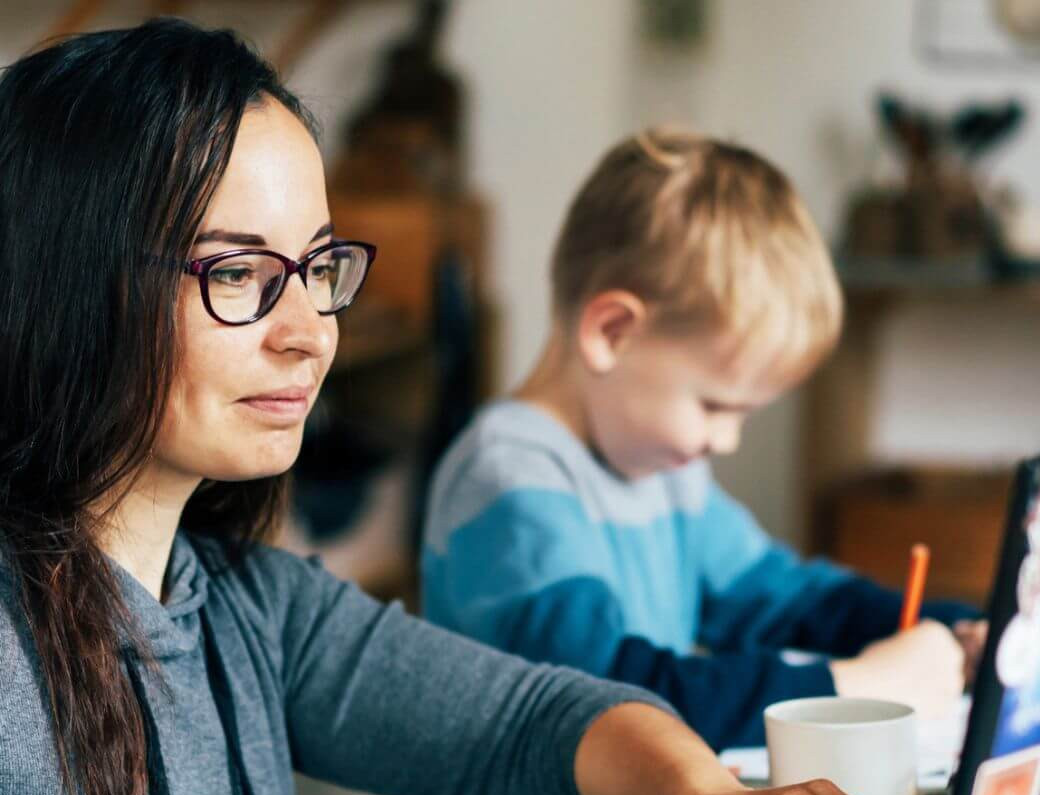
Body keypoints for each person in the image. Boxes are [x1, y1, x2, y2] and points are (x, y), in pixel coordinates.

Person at [0, 23, 942, 795]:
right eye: (241, 272)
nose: (309, 333)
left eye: (315, 268)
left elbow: (527, 722)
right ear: (69, 284)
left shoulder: (241, 600)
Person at [422, 130, 984, 751]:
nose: (728, 440)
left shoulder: (662, 470)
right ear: (612, 332)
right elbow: (614, 699)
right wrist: (849, 686)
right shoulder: (510, 481)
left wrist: (958, 630)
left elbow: (786, 599)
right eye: (715, 404)